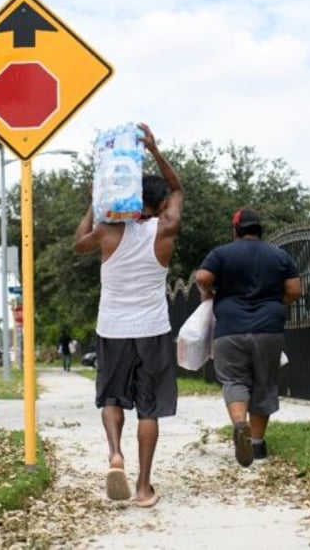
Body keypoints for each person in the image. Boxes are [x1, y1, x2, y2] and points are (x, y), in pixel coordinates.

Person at [73, 122, 183, 508]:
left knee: (112, 398)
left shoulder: (106, 232)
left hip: (112, 328)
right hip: (152, 329)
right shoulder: (165, 230)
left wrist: (96, 200)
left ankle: (115, 454)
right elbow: (178, 187)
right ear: (160, 206)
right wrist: (153, 149)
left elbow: (77, 243)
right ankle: (142, 487)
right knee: (149, 407)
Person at [194, 208, 302, 467]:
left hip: (230, 328)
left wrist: (207, 293)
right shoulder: (279, 255)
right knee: (264, 382)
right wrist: (276, 303)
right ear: (259, 230)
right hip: (268, 329)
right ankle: (257, 443)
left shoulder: (221, 254)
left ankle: (240, 424)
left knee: (234, 380)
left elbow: (202, 278)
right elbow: (295, 290)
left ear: (235, 230)